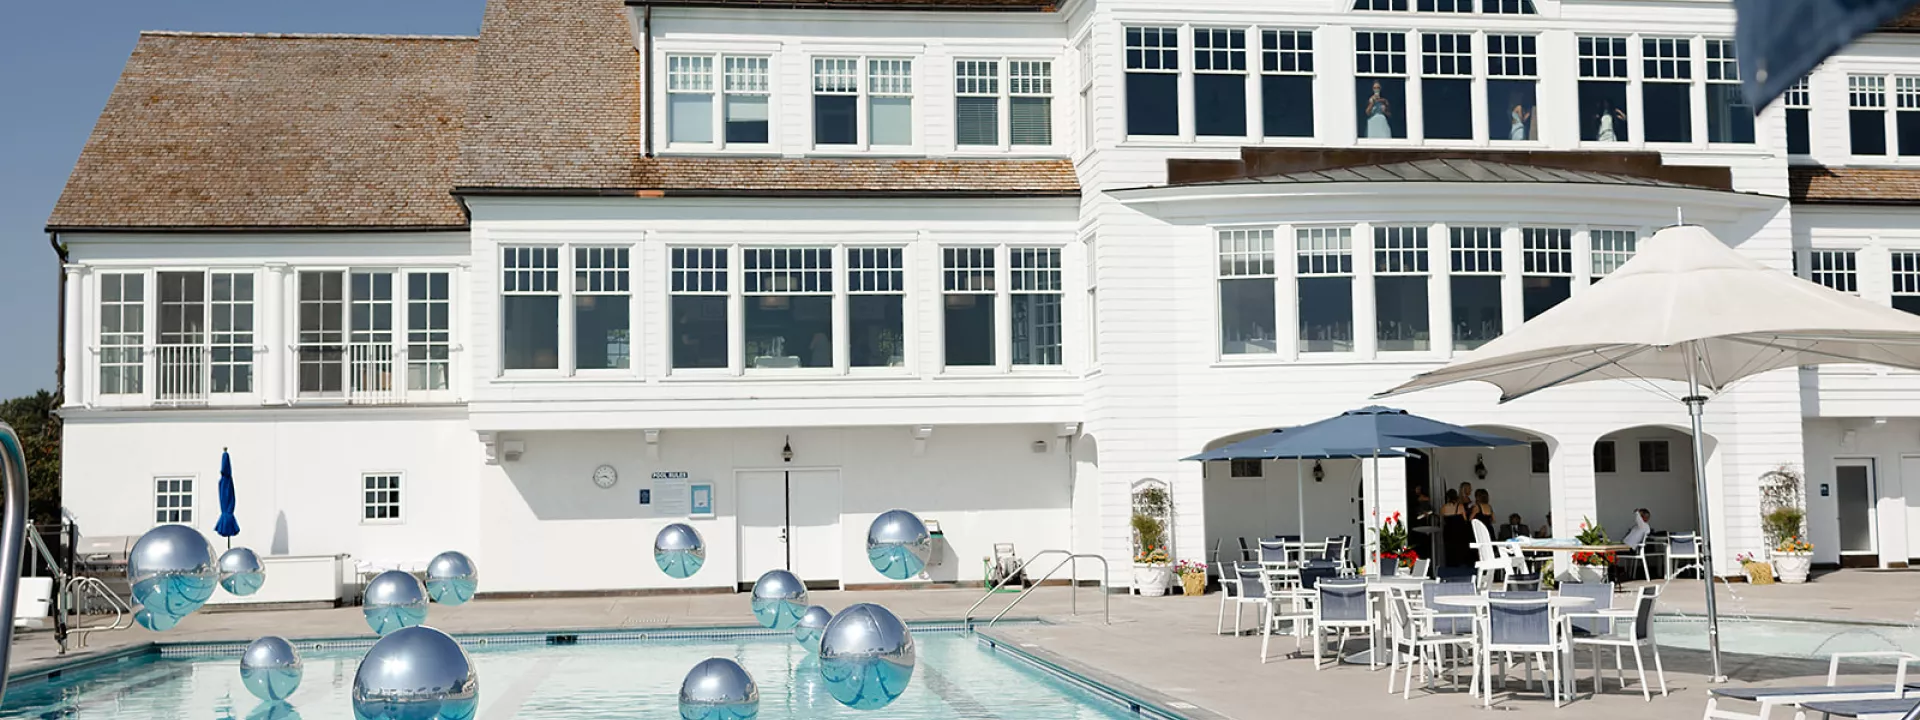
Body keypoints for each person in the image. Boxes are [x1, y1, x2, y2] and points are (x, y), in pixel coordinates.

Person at [1441, 489, 1471, 568]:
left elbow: (1442, 519)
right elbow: (1465, 519)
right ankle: (1461, 564)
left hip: (1448, 531)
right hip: (1459, 531)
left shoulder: (1444, 507)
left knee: (1449, 549)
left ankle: (1450, 565)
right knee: (1460, 549)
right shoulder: (1460, 506)